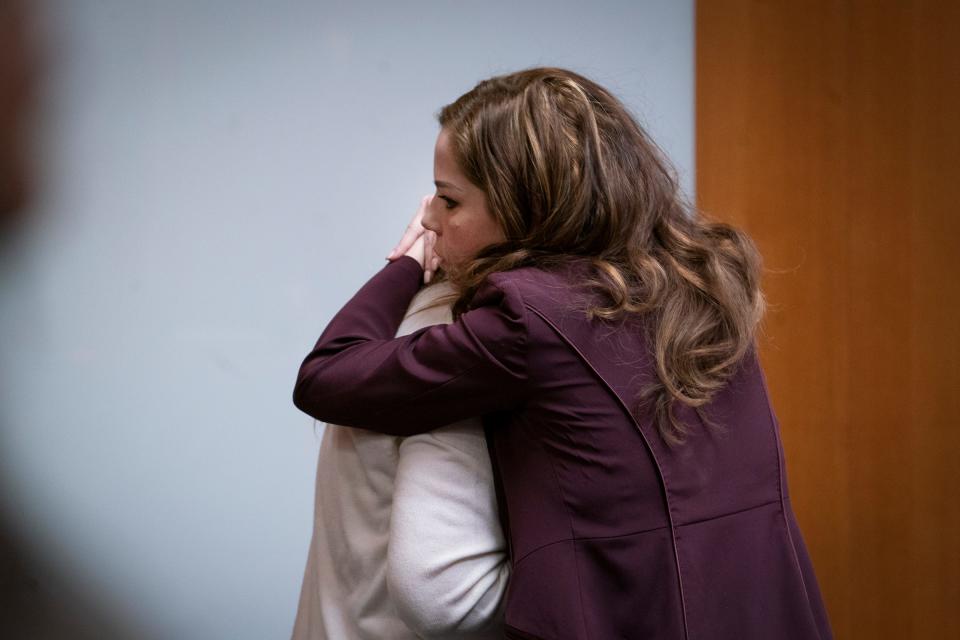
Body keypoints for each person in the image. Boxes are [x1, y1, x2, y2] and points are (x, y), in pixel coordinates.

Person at [293, 67, 833, 640]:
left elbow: (327, 376)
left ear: (527, 207)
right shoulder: (703, 279)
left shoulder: (526, 316)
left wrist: (404, 264)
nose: (428, 217)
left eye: (448, 201)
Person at [291, 254, 510, 640]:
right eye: (443, 195)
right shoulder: (464, 335)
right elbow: (443, 599)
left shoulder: (414, 313)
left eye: (447, 199)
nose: (424, 218)